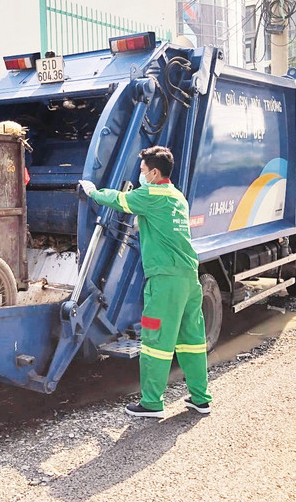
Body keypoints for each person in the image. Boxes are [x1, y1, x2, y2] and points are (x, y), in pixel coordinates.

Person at [78, 146, 212, 418]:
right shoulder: (177, 197)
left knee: (155, 341)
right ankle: (201, 398)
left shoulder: (150, 194)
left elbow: (120, 200)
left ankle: (151, 403)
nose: (140, 175)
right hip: (189, 278)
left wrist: (93, 192)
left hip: (165, 282)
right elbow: (162, 225)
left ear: (154, 172)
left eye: (141, 171)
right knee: (191, 340)